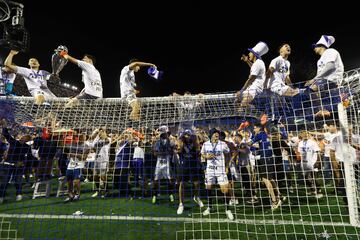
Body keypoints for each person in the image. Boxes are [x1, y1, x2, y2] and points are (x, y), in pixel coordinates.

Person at [305, 35, 344, 117]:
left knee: (312, 89)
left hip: (332, 80)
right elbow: (319, 75)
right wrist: (312, 81)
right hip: (325, 82)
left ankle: (321, 109)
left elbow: (330, 67)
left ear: (321, 46)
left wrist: (314, 80)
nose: (314, 48)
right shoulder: (319, 60)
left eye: (315, 46)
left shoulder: (330, 51)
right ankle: (323, 110)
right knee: (308, 90)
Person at [201, 128, 234, 220]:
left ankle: (227, 209)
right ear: (211, 135)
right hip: (210, 170)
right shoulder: (205, 144)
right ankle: (210, 207)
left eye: (218, 133)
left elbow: (228, 154)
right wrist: (206, 157)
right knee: (208, 188)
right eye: (215, 133)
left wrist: (227, 166)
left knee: (225, 190)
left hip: (221, 170)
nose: (217, 134)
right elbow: (202, 154)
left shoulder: (223, 144)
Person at [237, 42, 268, 108]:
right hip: (253, 87)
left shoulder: (258, 63)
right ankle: (254, 114)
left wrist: (242, 90)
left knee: (243, 105)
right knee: (238, 102)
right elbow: (254, 68)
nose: (248, 54)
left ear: (254, 53)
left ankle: (261, 115)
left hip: (255, 88)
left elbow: (251, 79)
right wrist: (247, 61)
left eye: (250, 52)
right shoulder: (258, 62)